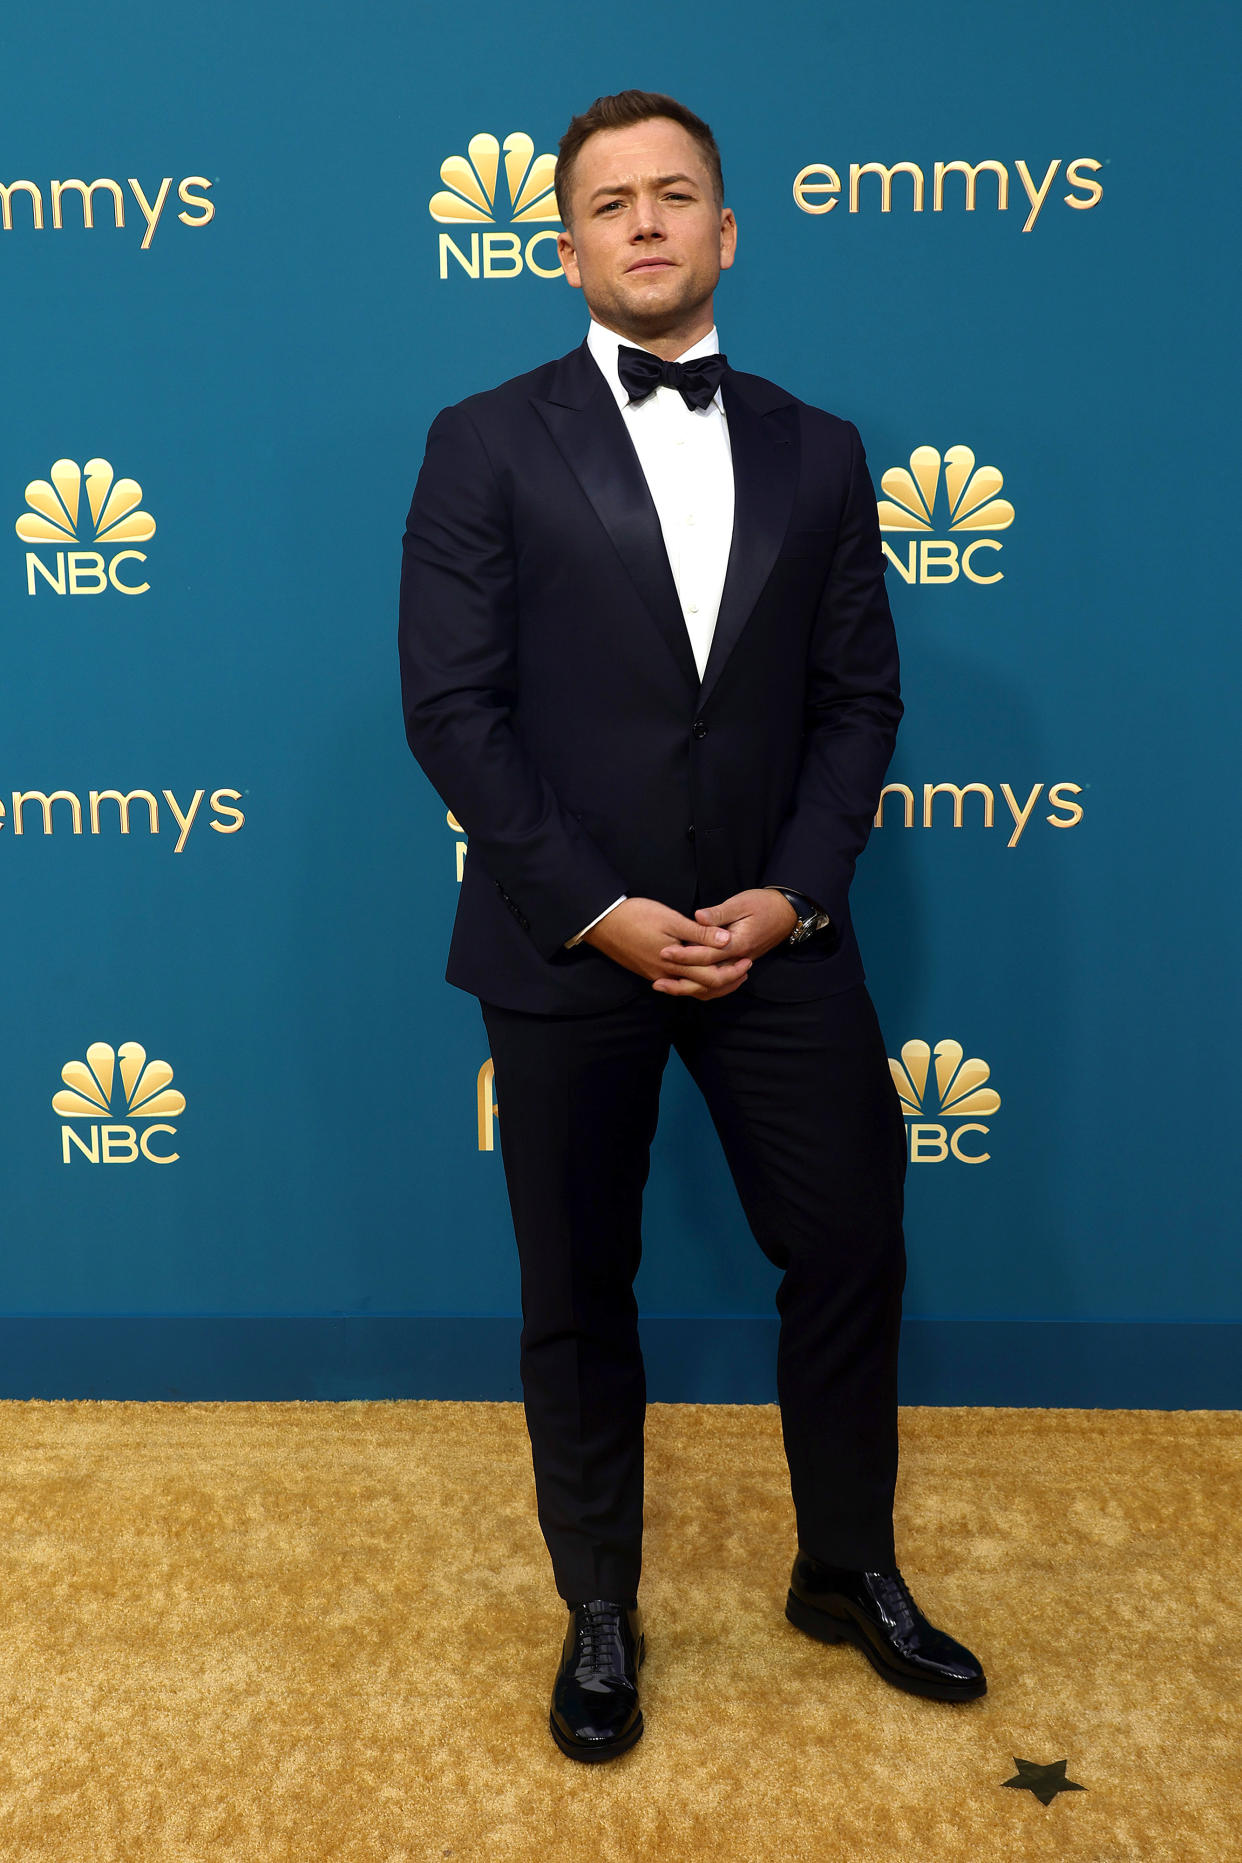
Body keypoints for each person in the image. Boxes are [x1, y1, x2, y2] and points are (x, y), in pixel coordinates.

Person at [399, 89, 985, 1762]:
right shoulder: (481, 438)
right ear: (564, 242)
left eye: (675, 196)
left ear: (724, 233)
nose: (643, 223)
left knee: (853, 1248)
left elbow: (856, 702)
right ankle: (600, 1605)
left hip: (773, 942)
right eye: (608, 202)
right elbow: (454, 713)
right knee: (579, 1284)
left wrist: (789, 895)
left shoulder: (817, 444)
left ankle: (844, 1564)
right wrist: (598, 911)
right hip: (565, 943)